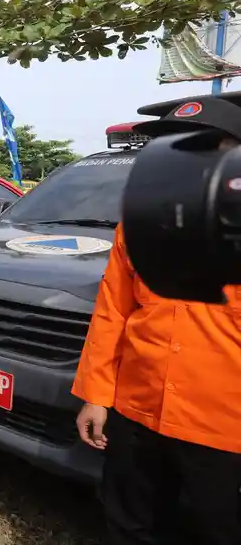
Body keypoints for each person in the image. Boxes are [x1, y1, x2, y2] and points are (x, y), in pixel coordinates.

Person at [72, 96, 241, 545]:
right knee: (129, 524)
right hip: (137, 412)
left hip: (224, 428)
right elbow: (112, 312)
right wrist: (96, 396)